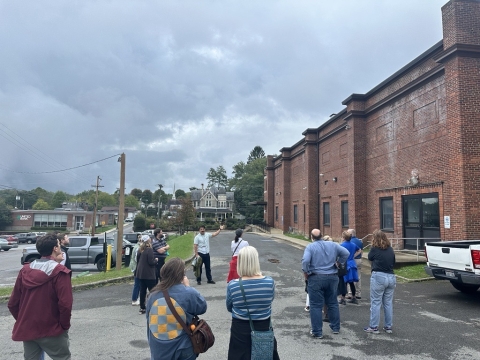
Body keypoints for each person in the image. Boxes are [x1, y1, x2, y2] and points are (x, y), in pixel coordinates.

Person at [8, 233, 73, 360]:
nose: (60, 247)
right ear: (55, 248)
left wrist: (24, 320)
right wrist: (64, 326)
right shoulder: (60, 272)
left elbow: (13, 303)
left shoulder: (24, 271)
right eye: (59, 245)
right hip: (52, 328)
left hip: (29, 329)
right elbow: (65, 304)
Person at [146, 257, 207, 360]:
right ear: (181, 275)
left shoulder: (152, 295)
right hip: (182, 346)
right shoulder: (188, 293)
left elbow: (150, 321)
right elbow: (202, 307)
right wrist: (187, 287)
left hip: (159, 349)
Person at [226, 246, 280, 360]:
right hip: (263, 326)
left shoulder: (233, 285)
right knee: (264, 355)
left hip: (240, 328)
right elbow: (270, 301)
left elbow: (229, 307)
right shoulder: (269, 282)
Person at [302, 229, 349, 338]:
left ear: (312, 237)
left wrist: (306, 272)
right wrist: (339, 262)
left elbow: (305, 261)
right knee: (332, 302)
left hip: (316, 277)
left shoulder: (310, 246)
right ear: (322, 236)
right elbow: (346, 253)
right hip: (332, 277)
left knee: (316, 305)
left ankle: (317, 331)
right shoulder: (333, 245)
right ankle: (335, 327)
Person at [364, 230, 396, 334]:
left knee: (376, 302)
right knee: (387, 303)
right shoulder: (390, 249)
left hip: (379, 276)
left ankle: (374, 326)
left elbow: (369, 257)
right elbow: (394, 262)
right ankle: (388, 326)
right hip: (391, 276)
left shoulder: (374, 249)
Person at [338, 231, 361, 305]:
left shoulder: (342, 245)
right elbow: (359, 250)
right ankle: (354, 297)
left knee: (344, 282)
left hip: (345, 264)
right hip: (352, 263)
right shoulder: (353, 244)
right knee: (351, 282)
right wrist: (354, 256)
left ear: (344, 238)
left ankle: (343, 298)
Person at [136, 236, 157, 314]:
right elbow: (151, 262)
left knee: (142, 291)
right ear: (148, 240)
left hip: (141, 273)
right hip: (149, 274)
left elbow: (138, 261)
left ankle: (142, 307)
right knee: (153, 290)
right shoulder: (149, 250)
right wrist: (156, 260)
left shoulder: (140, 250)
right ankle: (153, 306)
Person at [347, 229, 363, 300]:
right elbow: (361, 251)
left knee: (351, 276)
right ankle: (358, 293)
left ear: (350, 234)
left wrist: (353, 256)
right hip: (359, 260)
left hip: (352, 260)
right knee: (358, 277)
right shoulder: (360, 241)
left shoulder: (350, 241)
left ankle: (350, 293)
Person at [129, 235, 145, 305]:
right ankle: (134, 299)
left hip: (135, 267)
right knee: (137, 284)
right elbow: (136, 259)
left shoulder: (137, 247)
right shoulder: (137, 248)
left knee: (138, 284)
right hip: (136, 267)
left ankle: (136, 298)